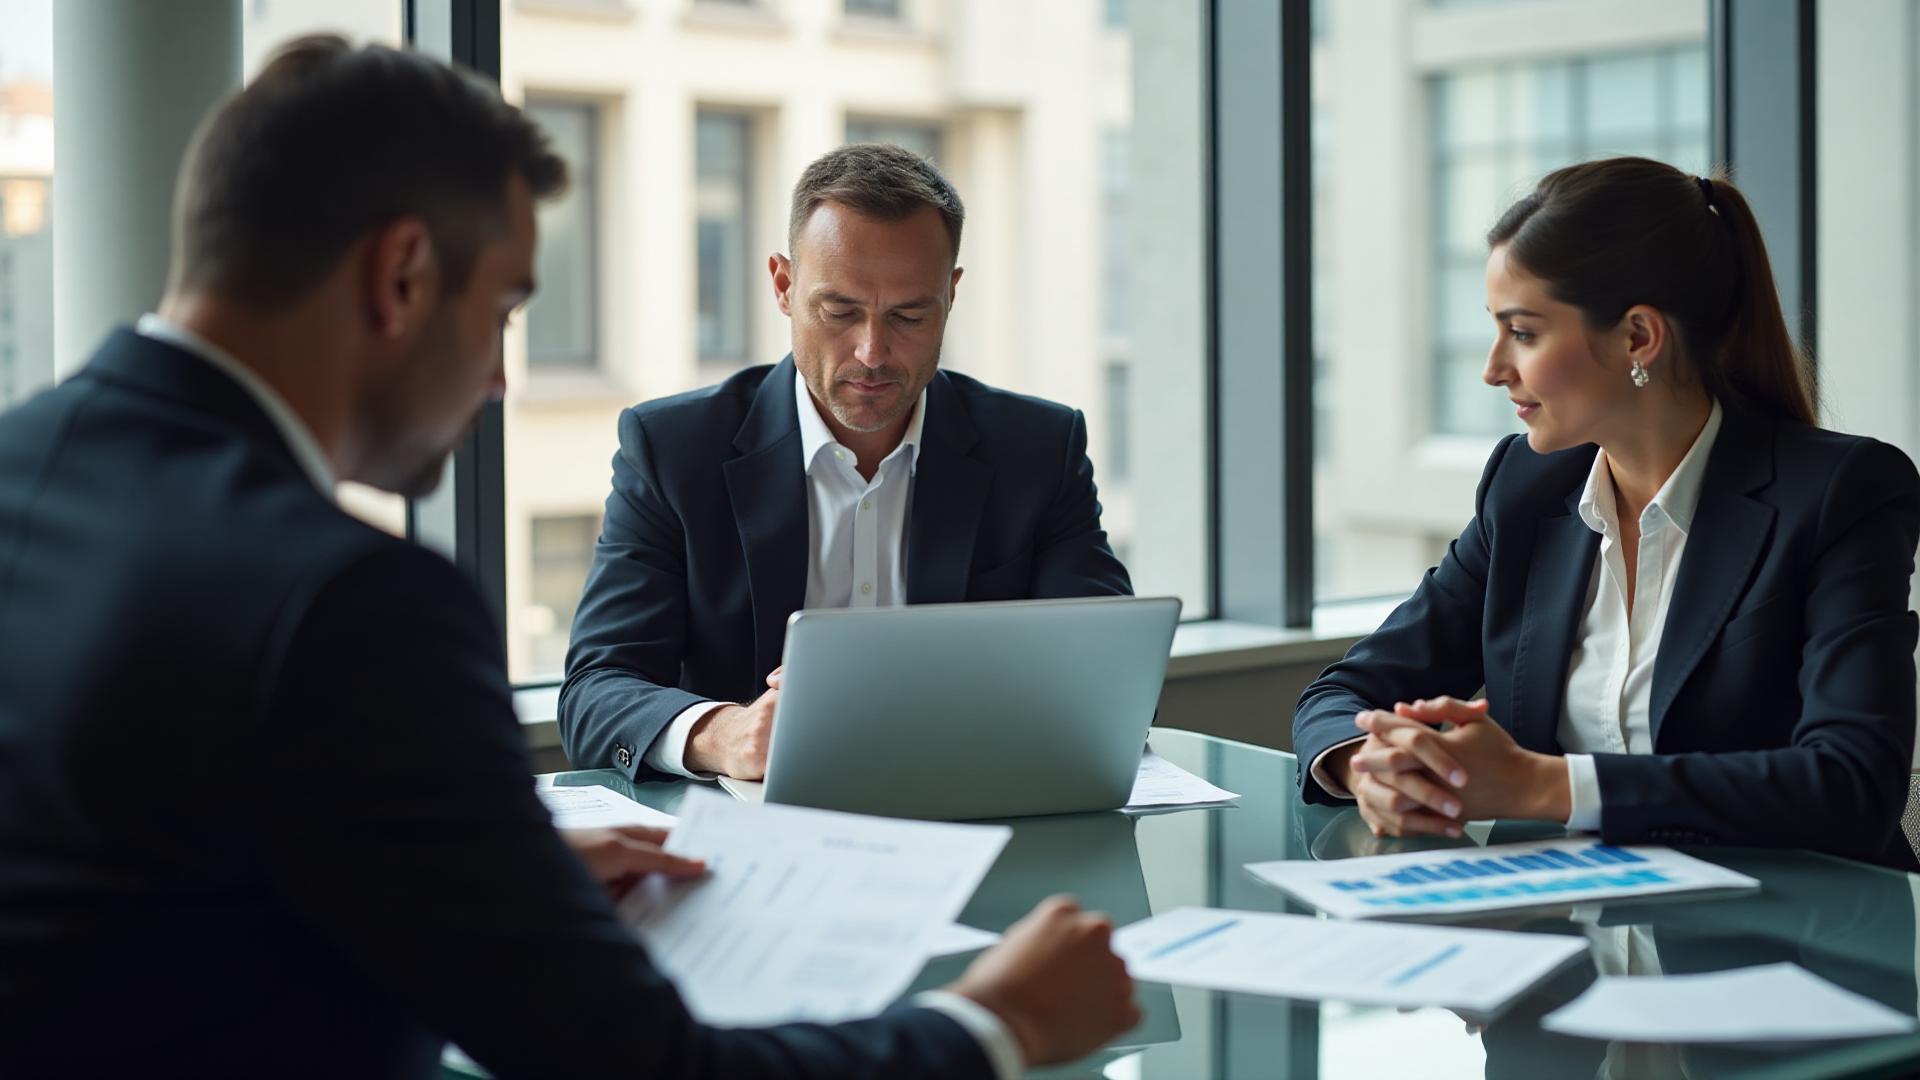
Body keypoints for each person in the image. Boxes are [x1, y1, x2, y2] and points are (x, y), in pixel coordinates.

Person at [0, 37, 1138, 1078]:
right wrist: (999, 1022)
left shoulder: (25, 468)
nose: (501, 381)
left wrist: (470, 890)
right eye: (503, 311)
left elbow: (152, 886)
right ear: (401, 277)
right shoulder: (351, 602)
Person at [1292, 156, 1920, 871]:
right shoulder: (1526, 488)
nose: (1494, 368)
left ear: (1637, 338)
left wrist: (1540, 785)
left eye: (1523, 333)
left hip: (1796, 943)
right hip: (1576, 936)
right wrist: (1369, 765)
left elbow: (1852, 785)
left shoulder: (1842, 491)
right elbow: (1345, 691)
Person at [557, 143, 1133, 782]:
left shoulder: (1038, 448)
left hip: (979, 816)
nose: (871, 352)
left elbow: (1113, 678)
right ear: (783, 285)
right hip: (749, 839)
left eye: (909, 316)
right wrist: (724, 735)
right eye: (840, 311)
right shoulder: (672, 448)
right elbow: (596, 692)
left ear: (951, 295)